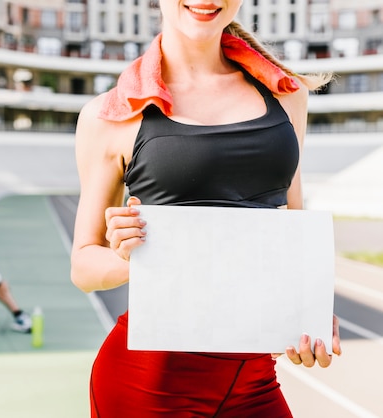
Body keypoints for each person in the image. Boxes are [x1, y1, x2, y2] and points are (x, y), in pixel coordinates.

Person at [70, 2, 342, 417]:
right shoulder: (110, 116)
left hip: (253, 378)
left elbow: (292, 231)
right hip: (149, 385)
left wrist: (311, 313)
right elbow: (84, 267)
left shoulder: (287, 96)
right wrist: (135, 257)